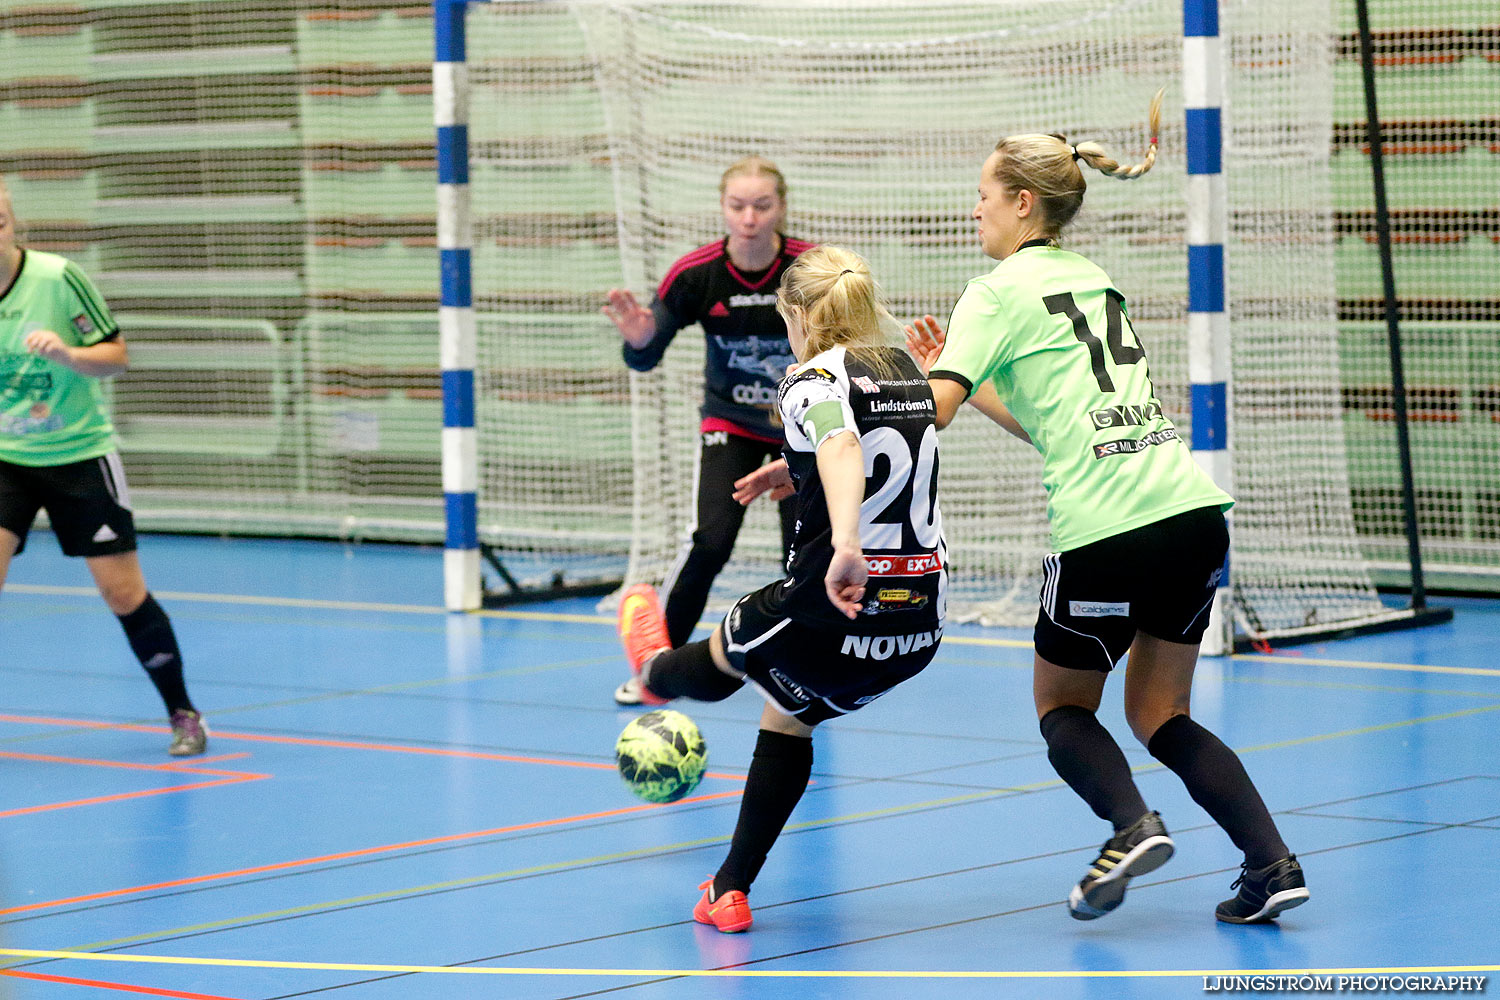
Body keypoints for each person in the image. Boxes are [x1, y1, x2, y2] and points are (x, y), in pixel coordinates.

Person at [904, 91, 1309, 925]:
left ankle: (1132, 828)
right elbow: (1058, 425)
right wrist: (967, 380)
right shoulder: (1093, 280)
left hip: (1107, 532)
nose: (973, 205)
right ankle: (1272, 863)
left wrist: (861, 400)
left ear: (1024, 202)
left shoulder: (994, 290)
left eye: (984, 190)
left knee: (1062, 707)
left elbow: (930, 414)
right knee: (1161, 713)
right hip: (1191, 515)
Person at [616, 246, 947, 933]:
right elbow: (896, 440)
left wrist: (847, 544)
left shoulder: (810, 379)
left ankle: (652, 673)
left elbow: (843, 446)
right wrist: (789, 474)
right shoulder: (906, 373)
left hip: (831, 607)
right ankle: (728, 892)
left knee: (726, 658)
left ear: (797, 316)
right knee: (788, 715)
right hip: (916, 629)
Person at [0, 177, 208, 757]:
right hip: (5, 462)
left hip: (79, 457)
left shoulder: (58, 279)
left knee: (121, 593)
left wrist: (68, 356)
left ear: (12, 222)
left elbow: (116, 357)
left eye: (0, 222)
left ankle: (183, 713)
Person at [603, 157, 814, 696]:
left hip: (801, 430)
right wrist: (639, 338)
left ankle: (801, 666)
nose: (748, 218)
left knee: (803, 553)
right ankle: (657, 668)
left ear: (781, 208)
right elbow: (645, 358)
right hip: (731, 425)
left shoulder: (812, 269)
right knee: (711, 541)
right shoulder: (696, 273)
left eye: (761, 206)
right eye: (737, 206)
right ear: (723, 208)